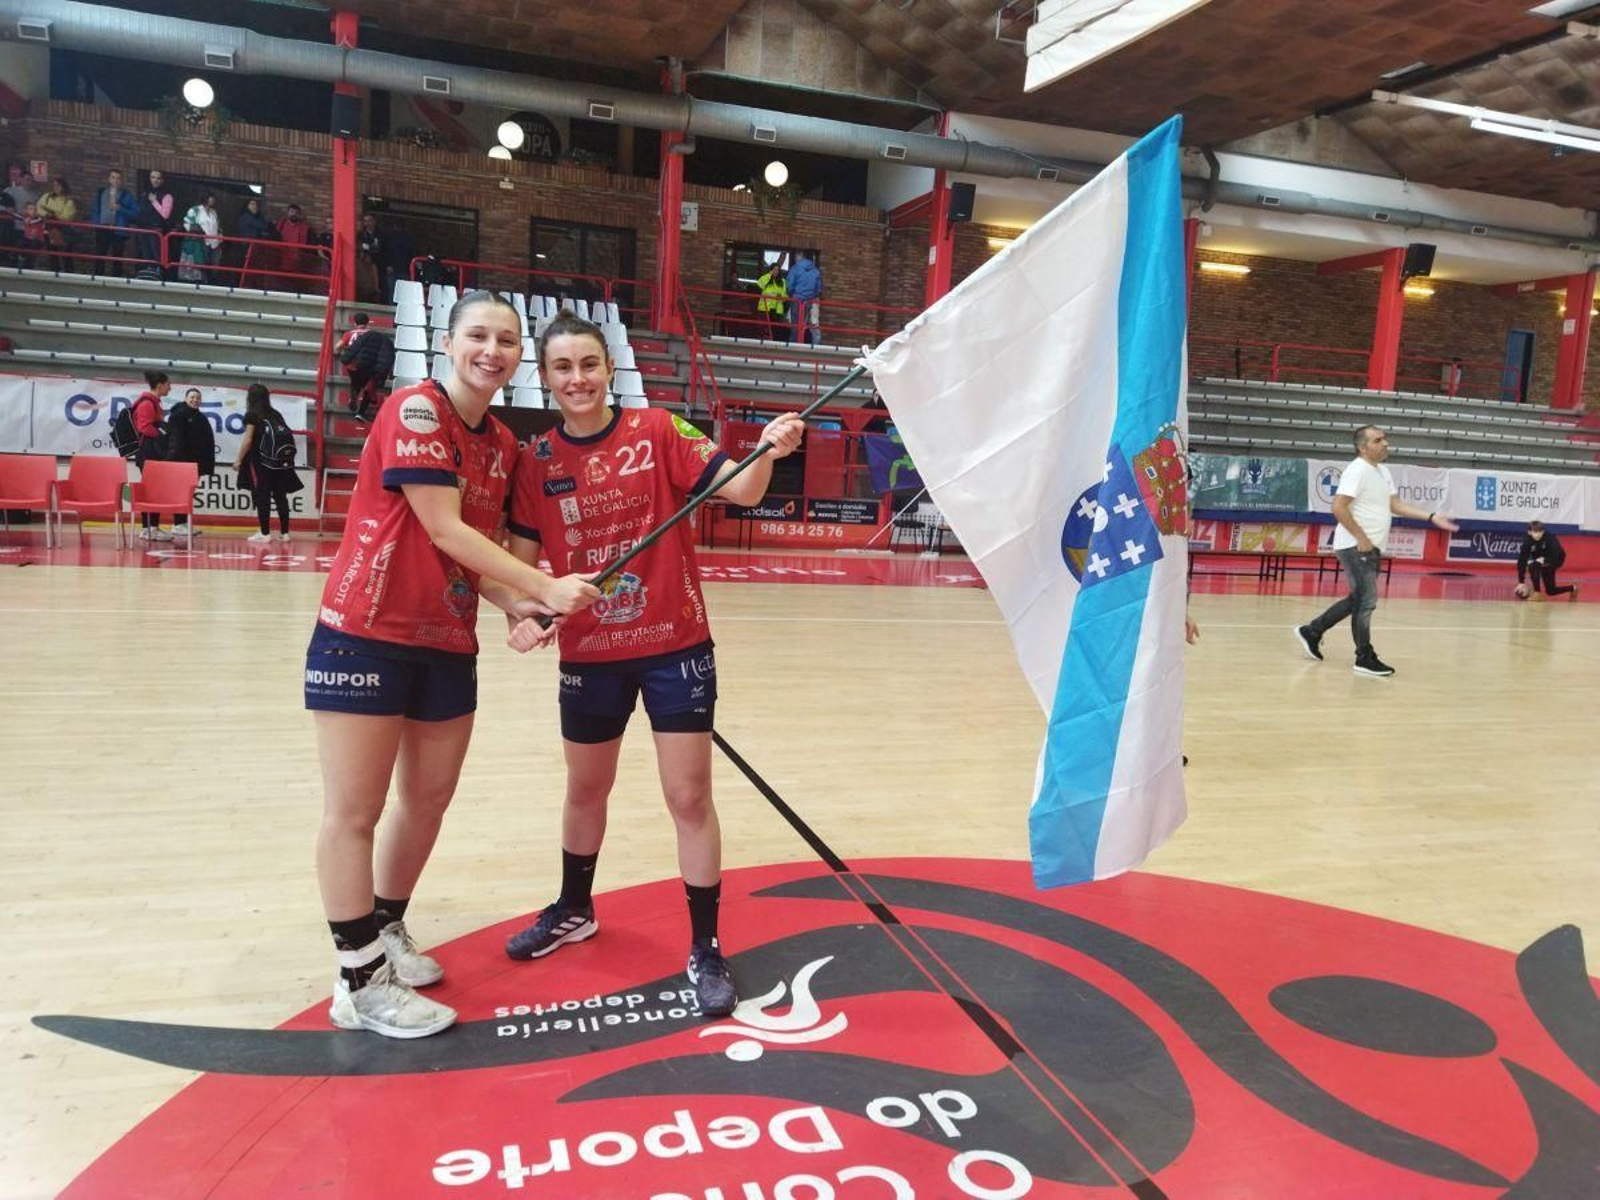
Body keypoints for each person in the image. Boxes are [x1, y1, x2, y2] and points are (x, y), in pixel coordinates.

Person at [306, 290, 599, 1039]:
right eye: (478, 335)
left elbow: (472, 557)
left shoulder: (502, 444)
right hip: (366, 632)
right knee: (354, 813)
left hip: (445, 641)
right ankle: (359, 981)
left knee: (427, 802)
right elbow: (440, 525)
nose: (491, 351)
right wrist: (542, 585)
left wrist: (518, 608)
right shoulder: (415, 410)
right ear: (447, 342)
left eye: (506, 340)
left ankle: (387, 928)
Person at [502, 310, 806, 1017]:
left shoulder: (659, 430)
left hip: (675, 649)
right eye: (561, 368)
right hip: (592, 657)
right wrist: (525, 612)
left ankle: (705, 945)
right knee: (585, 791)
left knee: (689, 798)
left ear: (610, 368)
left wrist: (766, 447)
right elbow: (519, 568)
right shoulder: (536, 462)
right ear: (544, 379)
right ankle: (575, 909)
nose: (576, 379)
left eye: (588, 364)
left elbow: (744, 490)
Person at [1295, 426, 1458, 677]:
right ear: (1363, 447)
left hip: (1371, 545)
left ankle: (1312, 630)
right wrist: (1360, 537)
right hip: (1355, 545)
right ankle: (1364, 657)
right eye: (1378, 440)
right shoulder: (1356, 471)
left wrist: (1432, 516)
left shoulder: (1382, 471)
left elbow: (1396, 505)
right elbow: (1338, 507)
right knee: (1367, 601)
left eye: (1385, 439)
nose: (1385, 443)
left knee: (1358, 599)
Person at [234, 384, 304, 544]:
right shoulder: (275, 413)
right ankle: (285, 533)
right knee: (281, 496)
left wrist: (238, 459)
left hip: (260, 462)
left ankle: (265, 533)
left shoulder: (252, 415)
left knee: (262, 496)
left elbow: (248, 439)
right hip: (279, 463)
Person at [164, 387, 217, 537]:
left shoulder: (200, 417)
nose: (195, 400)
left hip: (195, 463)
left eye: (198, 398)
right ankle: (178, 524)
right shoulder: (178, 415)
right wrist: (177, 462)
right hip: (182, 463)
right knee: (180, 493)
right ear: (186, 398)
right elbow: (176, 441)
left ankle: (183, 522)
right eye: (192, 397)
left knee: (188, 493)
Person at [130, 371, 173, 542]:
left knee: (154, 490)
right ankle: (148, 528)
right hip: (147, 452)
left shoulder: (154, 403)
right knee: (151, 491)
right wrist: (162, 434)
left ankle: (151, 527)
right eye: (168, 384)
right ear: (160, 384)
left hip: (152, 451)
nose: (170, 387)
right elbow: (144, 427)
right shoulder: (147, 403)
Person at [338, 312, 396, 422]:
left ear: (354, 323)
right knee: (370, 385)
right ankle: (362, 410)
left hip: (352, 364)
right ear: (367, 322)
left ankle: (354, 396)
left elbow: (337, 347)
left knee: (356, 381)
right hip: (369, 364)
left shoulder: (349, 334)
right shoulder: (371, 334)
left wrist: (342, 353)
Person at [90, 169, 138, 277]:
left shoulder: (127, 195)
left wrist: (120, 208)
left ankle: (116, 278)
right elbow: (95, 209)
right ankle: (97, 277)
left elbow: (135, 214)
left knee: (117, 257)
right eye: (113, 177)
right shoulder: (101, 192)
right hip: (102, 228)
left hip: (118, 230)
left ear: (122, 181)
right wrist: (96, 224)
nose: (115, 180)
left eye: (118, 178)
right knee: (100, 254)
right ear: (109, 179)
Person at [1516, 520, 1578, 601]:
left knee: (1534, 565)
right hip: (1540, 560)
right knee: (1551, 591)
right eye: (1535, 532)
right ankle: (1573, 588)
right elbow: (1522, 560)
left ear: (1543, 531)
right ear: (1529, 532)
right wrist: (1521, 582)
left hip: (1556, 559)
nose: (1538, 534)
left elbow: (1558, 553)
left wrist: (1545, 559)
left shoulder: (1550, 538)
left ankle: (1537, 593)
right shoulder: (1527, 542)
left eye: (1540, 532)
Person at [133, 169, 174, 279]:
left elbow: (165, 215)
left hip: (156, 228)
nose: (155, 180)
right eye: (153, 177)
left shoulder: (167, 195)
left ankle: (159, 275)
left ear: (162, 180)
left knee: (157, 254)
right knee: (145, 254)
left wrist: (154, 201)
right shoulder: (145, 193)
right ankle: (147, 274)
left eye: (158, 178)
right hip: (143, 227)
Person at [38, 177, 79, 272]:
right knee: (52, 253)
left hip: (63, 231)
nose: (55, 187)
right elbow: (39, 207)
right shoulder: (47, 197)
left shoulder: (68, 201)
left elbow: (68, 216)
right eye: (54, 185)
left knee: (66, 254)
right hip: (49, 229)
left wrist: (55, 214)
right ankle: (55, 272)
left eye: (58, 185)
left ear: (64, 187)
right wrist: (46, 214)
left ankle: (69, 274)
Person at [181, 193, 221, 282]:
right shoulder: (195, 210)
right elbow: (186, 224)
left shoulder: (214, 212)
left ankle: (212, 282)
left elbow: (218, 226)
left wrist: (220, 237)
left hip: (215, 242)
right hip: (201, 241)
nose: (212, 200)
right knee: (202, 263)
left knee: (215, 264)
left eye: (213, 198)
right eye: (210, 198)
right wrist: (196, 232)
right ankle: (203, 282)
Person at [786, 253, 823, 346]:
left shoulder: (795, 268)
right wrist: (810, 296)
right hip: (808, 301)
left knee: (795, 324)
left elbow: (789, 285)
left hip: (796, 299)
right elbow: (818, 289)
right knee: (804, 323)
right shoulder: (815, 271)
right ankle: (803, 344)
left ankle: (793, 345)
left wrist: (791, 295)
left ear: (800, 258)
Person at [236, 197, 273, 287]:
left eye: (256, 205)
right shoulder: (246, 217)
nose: (255, 207)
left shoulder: (254, 217)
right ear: (247, 206)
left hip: (253, 247)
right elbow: (263, 226)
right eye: (252, 204)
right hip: (247, 247)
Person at [755, 262, 788, 342]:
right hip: (764, 307)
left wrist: (781, 296)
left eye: (777, 270)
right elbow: (760, 284)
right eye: (774, 270)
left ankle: (774, 343)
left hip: (776, 309)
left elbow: (785, 296)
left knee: (775, 329)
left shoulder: (782, 281)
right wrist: (769, 275)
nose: (776, 272)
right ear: (770, 270)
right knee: (762, 328)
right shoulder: (766, 278)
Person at [356, 212, 384, 302]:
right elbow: (359, 247)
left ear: (374, 221)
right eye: (365, 221)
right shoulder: (360, 234)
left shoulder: (381, 234)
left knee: (380, 286)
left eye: (370, 220)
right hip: (365, 264)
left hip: (379, 263)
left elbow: (380, 248)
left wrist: (369, 247)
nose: (367, 223)